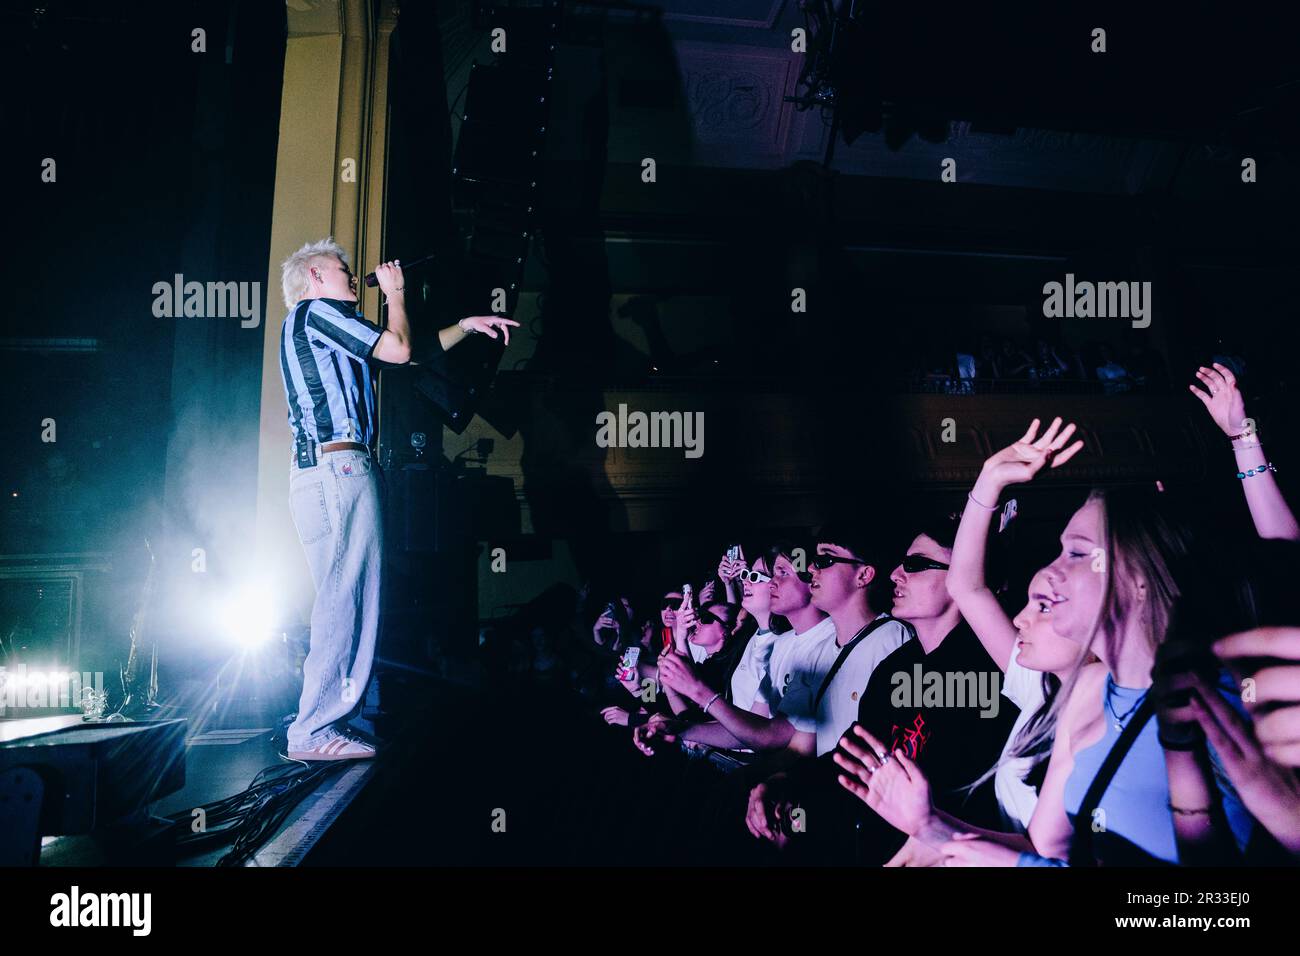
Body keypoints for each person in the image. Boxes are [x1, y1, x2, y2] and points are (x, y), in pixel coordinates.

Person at [277, 238, 517, 760]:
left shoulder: (324, 328)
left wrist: (466, 327)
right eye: (342, 271)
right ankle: (313, 731)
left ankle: (331, 721)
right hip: (336, 467)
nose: (351, 278)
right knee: (344, 600)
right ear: (315, 277)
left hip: (334, 469)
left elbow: (409, 351)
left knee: (351, 598)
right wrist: (396, 292)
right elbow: (400, 346)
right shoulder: (316, 312)